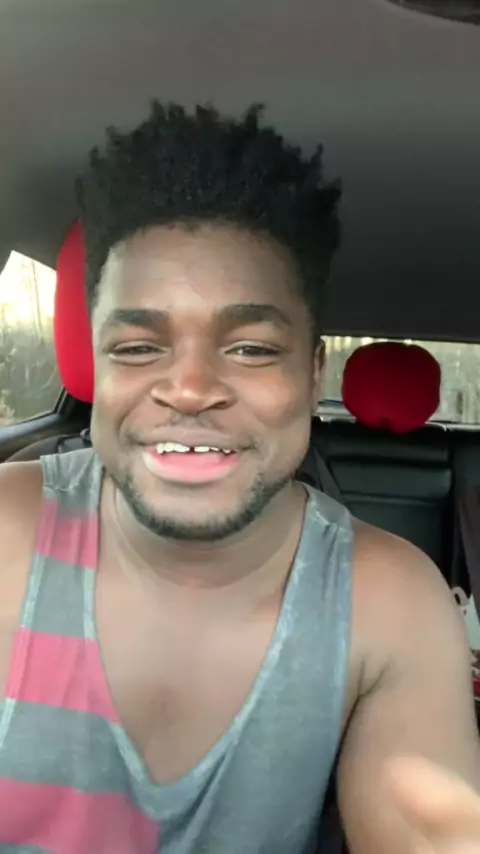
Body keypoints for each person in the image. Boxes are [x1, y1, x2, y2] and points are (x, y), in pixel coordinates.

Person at [0, 103, 478, 854]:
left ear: (311, 373)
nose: (190, 390)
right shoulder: (7, 533)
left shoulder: (390, 601)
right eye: (136, 347)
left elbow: (434, 825)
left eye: (252, 348)